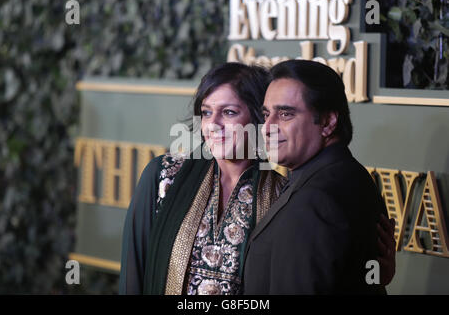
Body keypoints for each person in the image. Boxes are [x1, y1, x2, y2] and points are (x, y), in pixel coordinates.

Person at [119, 62, 396, 295]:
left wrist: (367, 277)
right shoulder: (164, 177)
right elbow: (134, 276)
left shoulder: (284, 193)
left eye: (228, 112)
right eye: (206, 112)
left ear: (256, 120)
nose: (213, 124)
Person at [243, 59, 394, 294]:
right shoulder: (349, 175)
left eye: (285, 114)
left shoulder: (315, 201)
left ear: (327, 122)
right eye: (266, 114)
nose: (268, 127)